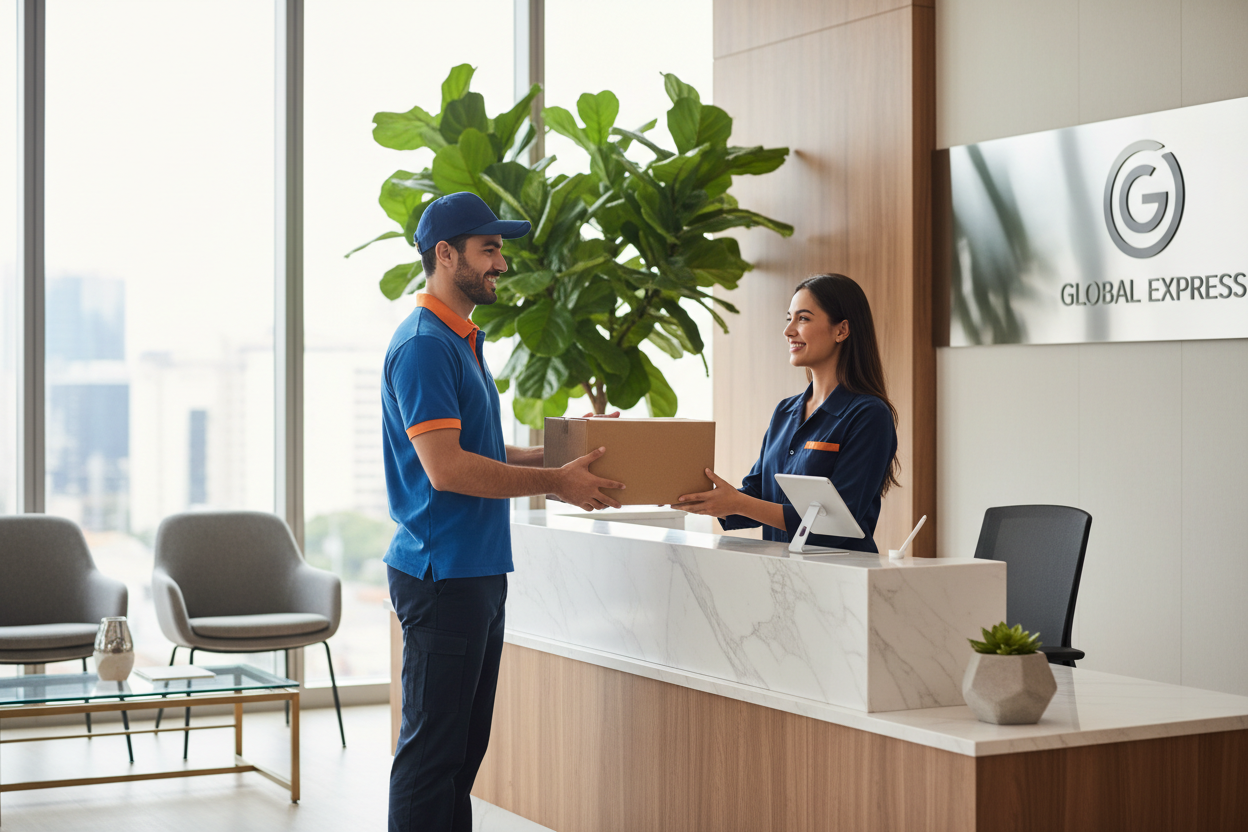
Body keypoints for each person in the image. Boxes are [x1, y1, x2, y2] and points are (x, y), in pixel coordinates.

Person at [382, 191, 625, 832]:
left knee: (460, 755)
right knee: (433, 757)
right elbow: (448, 468)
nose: (501, 264)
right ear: (445, 254)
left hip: (476, 570)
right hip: (443, 575)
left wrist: (566, 450)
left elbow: (480, 448)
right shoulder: (424, 346)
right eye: (488, 249)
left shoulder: (460, 340)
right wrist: (555, 483)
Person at [673, 273, 899, 552]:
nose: (788, 330)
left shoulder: (869, 415)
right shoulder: (785, 411)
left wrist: (738, 503)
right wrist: (702, 498)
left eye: (803, 319)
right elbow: (758, 494)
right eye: (789, 318)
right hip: (782, 578)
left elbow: (839, 522)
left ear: (841, 330)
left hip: (842, 579)